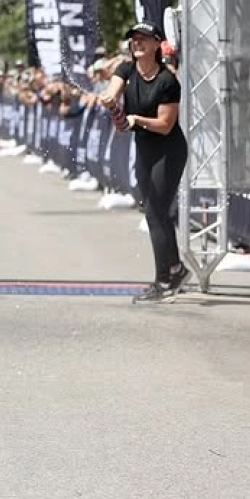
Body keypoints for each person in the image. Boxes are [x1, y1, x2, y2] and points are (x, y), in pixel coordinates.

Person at [100, 22, 189, 304]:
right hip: (145, 149)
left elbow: (165, 125)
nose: (136, 43)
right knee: (155, 210)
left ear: (156, 45)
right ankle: (176, 269)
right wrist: (111, 102)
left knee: (155, 212)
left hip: (169, 149)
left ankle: (163, 282)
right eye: (133, 40)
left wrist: (135, 120)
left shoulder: (167, 81)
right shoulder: (126, 70)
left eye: (143, 39)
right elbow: (113, 92)